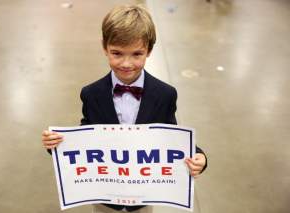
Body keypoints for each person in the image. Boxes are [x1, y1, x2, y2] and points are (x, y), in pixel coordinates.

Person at [42, 4, 207, 213]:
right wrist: (56, 144)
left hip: (142, 199)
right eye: (117, 53)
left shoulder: (165, 94)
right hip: (105, 199)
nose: (126, 63)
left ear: (149, 51)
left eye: (137, 54)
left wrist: (199, 156)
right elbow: (86, 133)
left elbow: (170, 137)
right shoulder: (92, 94)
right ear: (104, 47)